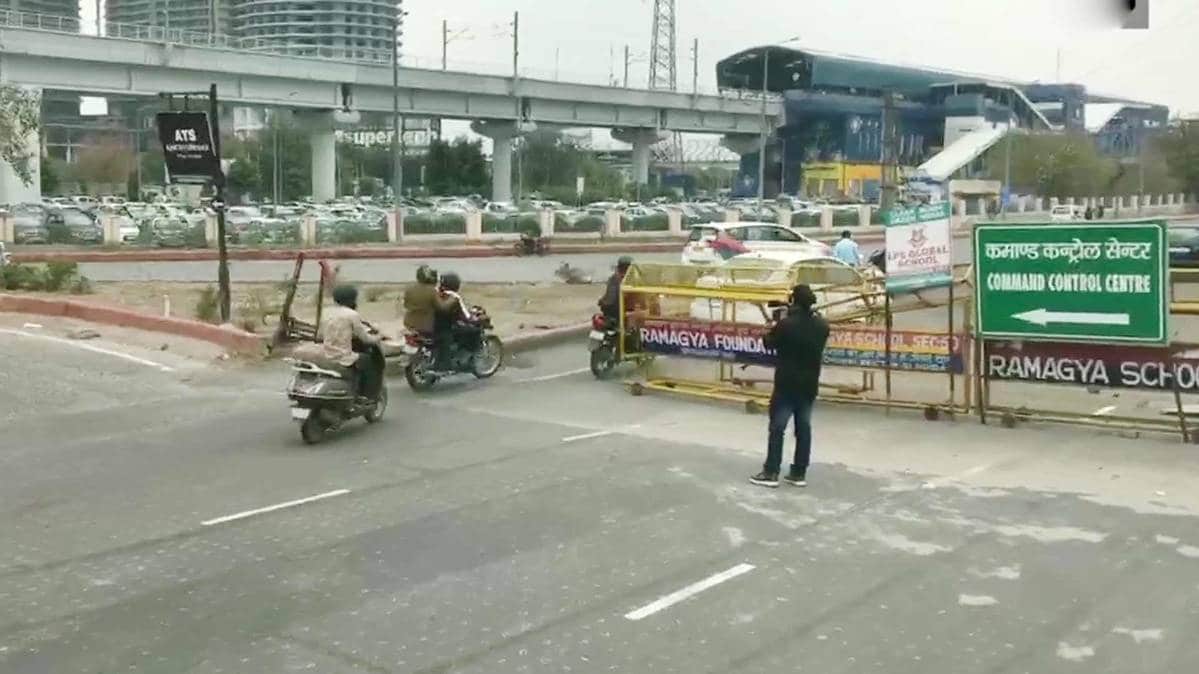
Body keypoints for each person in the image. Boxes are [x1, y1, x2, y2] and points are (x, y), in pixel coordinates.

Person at [751, 284, 830, 488]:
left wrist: (772, 326)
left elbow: (770, 343)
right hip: (810, 384)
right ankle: (798, 473)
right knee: (803, 428)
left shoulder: (786, 325)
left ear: (794, 301)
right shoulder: (822, 326)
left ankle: (771, 471)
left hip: (786, 383)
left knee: (777, 428)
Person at [316, 284, 382, 397]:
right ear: (352, 299)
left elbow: (321, 333)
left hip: (327, 352)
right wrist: (378, 338)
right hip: (343, 356)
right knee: (368, 362)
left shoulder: (326, 312)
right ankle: (368, 396)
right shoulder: (352, 314)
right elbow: (365, 338)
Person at [434, 271, 480, 364]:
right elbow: (467, 317)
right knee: (475, 331)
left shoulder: (435, 293)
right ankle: (465, 355)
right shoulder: (455, 297)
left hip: (431, 325)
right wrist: (476, 319)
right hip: (448, 327)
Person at [598, 255, 634, 321]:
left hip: (617, 316)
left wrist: (601, 301)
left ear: (618, 268)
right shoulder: (636, 280)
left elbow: (609, 301)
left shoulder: (614, 280)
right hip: (632, 315)